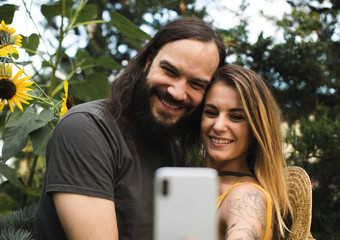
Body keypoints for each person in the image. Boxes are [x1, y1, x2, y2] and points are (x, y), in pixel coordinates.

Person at [36, 17, 226, 240]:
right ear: (147, 61)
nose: (177, 92)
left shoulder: (173, 152)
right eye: (170, 71)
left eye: (196, 84)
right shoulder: (87, 129)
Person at [193, 65, 292, 239]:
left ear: (256, 130)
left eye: (236, 117)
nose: (218, 126)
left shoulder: (246, 197)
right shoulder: (198, 186)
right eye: (211, 112)